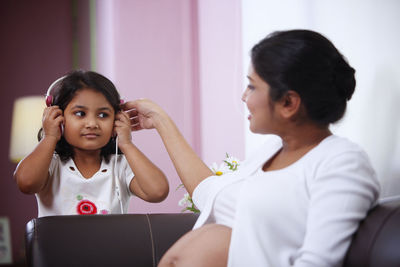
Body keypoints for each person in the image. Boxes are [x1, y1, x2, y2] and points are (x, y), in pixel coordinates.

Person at [123, 30, 380, 266]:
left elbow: (316, 263)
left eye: (252, 85)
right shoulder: (272, 151)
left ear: (288, 102)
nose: (244, 96)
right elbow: (212, 195)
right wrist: (160, 121)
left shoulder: (342, 162)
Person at [14, 70, 169, 217]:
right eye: (80, 114)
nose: (92, 123)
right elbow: (26, 183)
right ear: (59, 117)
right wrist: (49, 136)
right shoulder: (51, 164)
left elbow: (158, 191)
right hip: (57, 245)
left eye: (103, 115)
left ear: (116, 120)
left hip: (111, 246)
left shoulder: (120, 166)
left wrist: (127, 144)